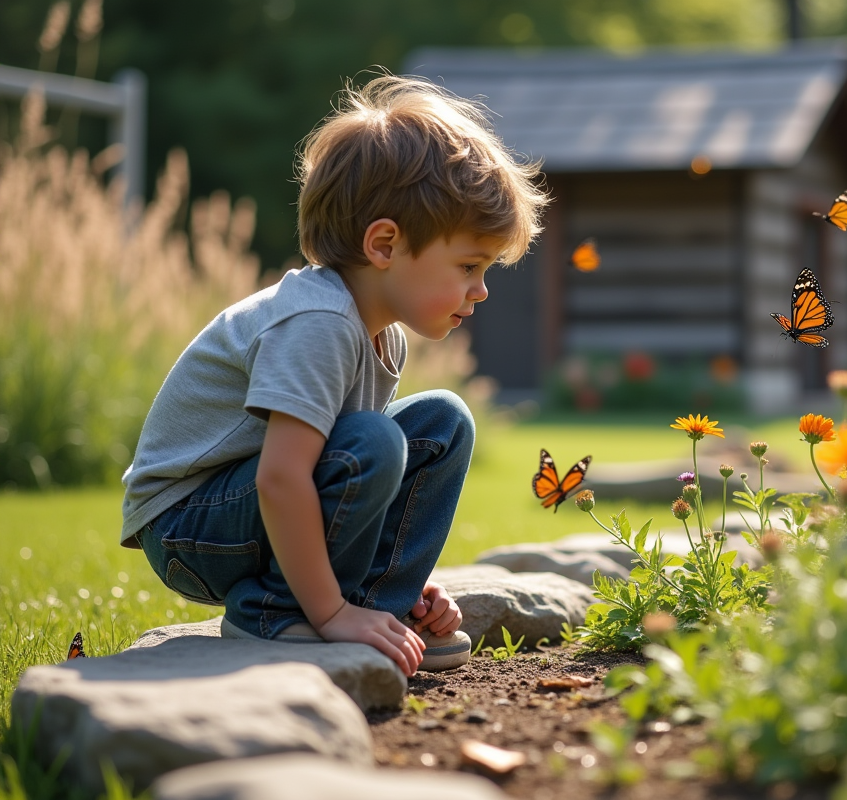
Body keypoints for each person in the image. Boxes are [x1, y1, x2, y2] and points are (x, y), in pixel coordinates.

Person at [119, 75, 548, 676]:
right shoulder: (317, 322)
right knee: (373, 440)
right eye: (470, 265)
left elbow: (347, 487)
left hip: (249, 510)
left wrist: (391, 582)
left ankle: (383, 606)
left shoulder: (382, 332)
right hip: (190, 525)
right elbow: (283, 478)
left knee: (442, 422)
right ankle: (274, 610)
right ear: (384, 245)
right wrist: (328, 613)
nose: (481, 291)